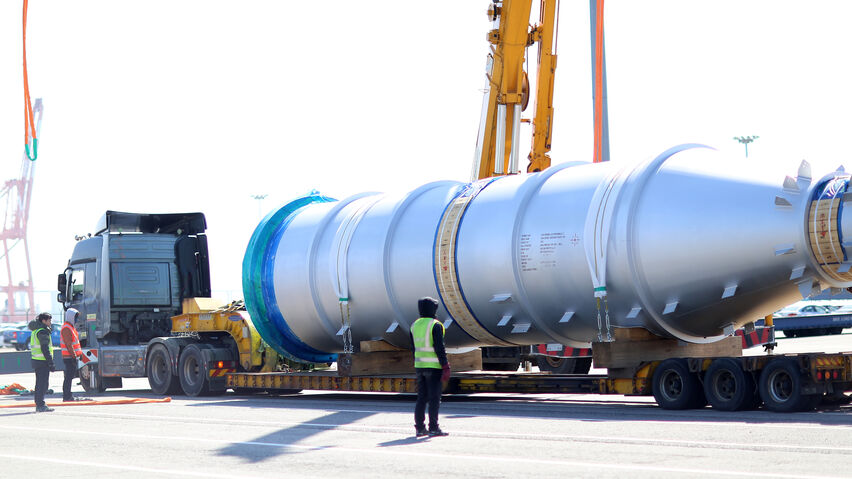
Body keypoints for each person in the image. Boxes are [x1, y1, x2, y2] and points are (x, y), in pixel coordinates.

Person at [410, 297, 450, 437]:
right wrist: (445, 366)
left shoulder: (414, 325)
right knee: (434, 398)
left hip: (420, 366)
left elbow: (413, 348)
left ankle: (420, 428)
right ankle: (434, 427)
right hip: (434, 367)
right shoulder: (435, 325)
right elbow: (439, 348)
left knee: (421, 398)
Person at [29, 312, 55, 413]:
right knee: (42, 384)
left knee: (40, 383)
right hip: (42, 362)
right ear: (43, 321)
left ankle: (39, 403)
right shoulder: (42, 332)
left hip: (37, 361)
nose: (50, 322)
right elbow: (45, 348)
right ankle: (40, 405)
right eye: (49, 320)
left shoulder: (36, 330)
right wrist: (51, 362)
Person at [60, 308, 84, 401]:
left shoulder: (70, 327)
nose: (77, 319)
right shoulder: (67, 328)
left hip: (71, 357)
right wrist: (74, 356)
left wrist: (79, 353)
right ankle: (67, 396)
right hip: (69, 357)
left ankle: (68, 395)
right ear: (70, 317)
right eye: (75, 317)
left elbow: (75, 344)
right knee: (68, 378)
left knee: (69, 377)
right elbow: (69, 345)